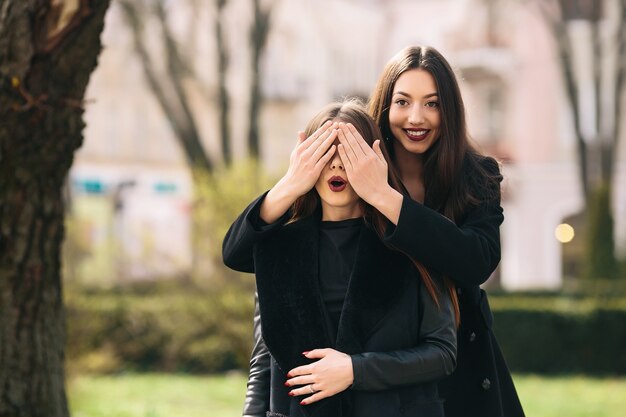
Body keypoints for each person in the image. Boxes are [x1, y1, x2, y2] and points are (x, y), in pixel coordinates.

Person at [223, 100, 457, 417]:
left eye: (347, 152)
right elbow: (265, 360)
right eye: (324, 153)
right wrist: (290, 183)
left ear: (374, 160)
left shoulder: (410, 243)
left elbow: (442, 353)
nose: (335, 165)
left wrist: (355, 370)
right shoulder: (279, 248)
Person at [338, 45, 525, 417]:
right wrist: (292, 182)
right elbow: (250, 252)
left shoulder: (478, 175)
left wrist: (385, 198)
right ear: (385, 106)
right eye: (403, 102)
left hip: (462, 368)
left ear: (450, 110)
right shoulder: (357, 166)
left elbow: (476, 262)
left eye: (432, 103)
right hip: (378, 368)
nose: (416, 118)